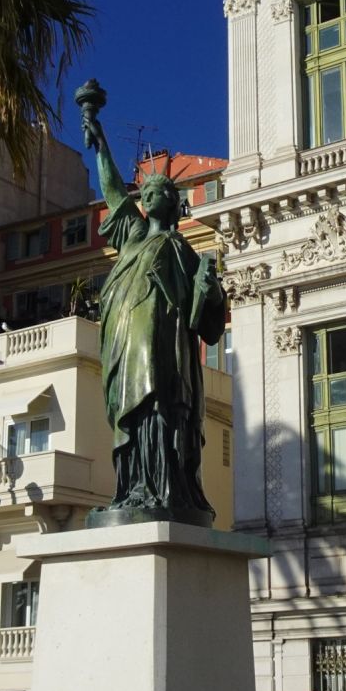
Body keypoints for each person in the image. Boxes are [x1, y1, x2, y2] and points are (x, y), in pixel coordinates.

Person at [82, 94, 226, 526]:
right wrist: (100, 137)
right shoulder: (133, 235)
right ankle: (131, 489)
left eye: (159, 189)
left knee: (160, 412)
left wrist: (210, 291)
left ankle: (164, 488)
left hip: (165, 347)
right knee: (131, 414)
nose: (150, 192)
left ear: (175, 202)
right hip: (126, 340)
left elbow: (205, 321)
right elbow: (111, 189)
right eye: (146, 190)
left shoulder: (182, 249)